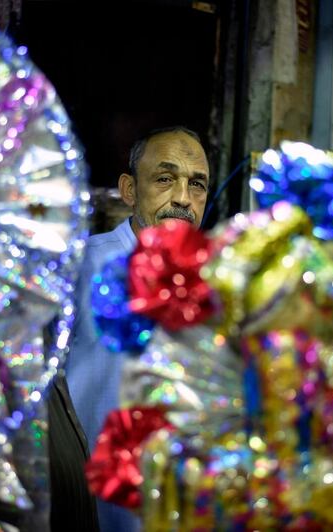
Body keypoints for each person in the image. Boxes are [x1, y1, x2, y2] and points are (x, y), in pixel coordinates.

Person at [66, 126, 210, 531]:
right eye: (165, 179)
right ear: (129, 190)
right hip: (91, 510)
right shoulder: (82, 267)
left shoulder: (214, 284)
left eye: (196, 184)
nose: (182, 198)